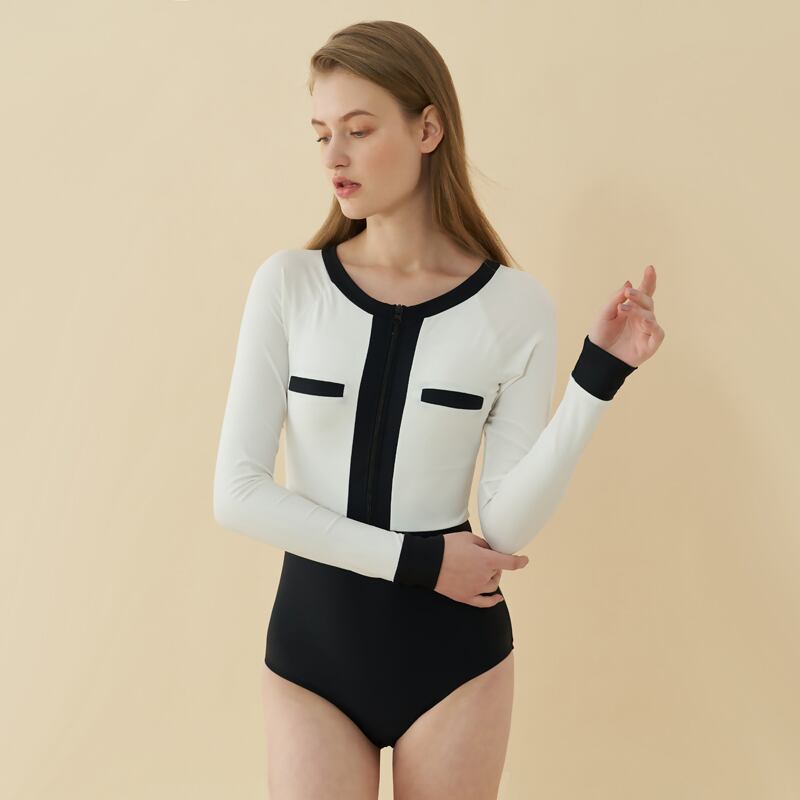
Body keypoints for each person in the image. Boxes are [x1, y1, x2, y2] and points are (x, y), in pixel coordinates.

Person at [213, 20, 665, 800]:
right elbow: (237, 493)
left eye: (359, 130)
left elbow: (507, 524)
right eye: (321, 133)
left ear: (428, 129)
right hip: (313, 655)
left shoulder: (514, 306)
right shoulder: (289, 286)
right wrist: (417, 563)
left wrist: (597, 379)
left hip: (455, 662)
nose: (333, 156)